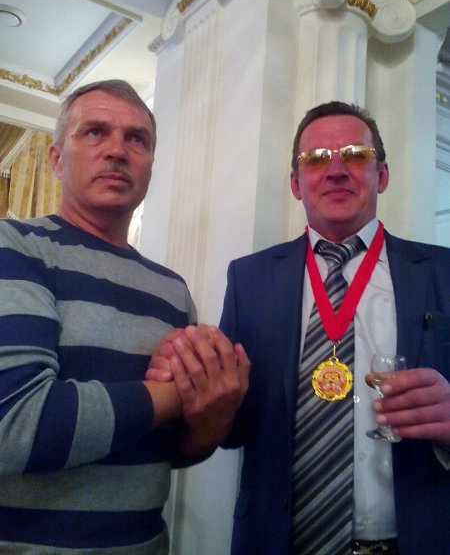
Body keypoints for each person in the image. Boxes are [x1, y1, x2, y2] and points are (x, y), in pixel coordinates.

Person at [0, 79, 249, 554]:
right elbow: (15, 427)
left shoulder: (172, 290)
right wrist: (176, 394)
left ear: (151, 164)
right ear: (56, 159)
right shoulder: (13, 246)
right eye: (95, 131)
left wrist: (211, 420)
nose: (117, 150)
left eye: (137, 139)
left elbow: (163, 452)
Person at [216, 102, 450, 555]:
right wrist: (210, 403)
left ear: (382, 175)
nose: (336, 170)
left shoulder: (443, 271)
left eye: (355, 155)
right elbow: (232, 426)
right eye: (316, 158)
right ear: (295, 183)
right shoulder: (249, 278)